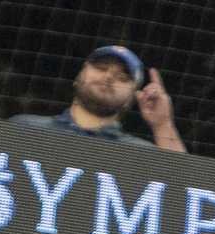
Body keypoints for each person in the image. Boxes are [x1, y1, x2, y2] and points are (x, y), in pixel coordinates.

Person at [14, 43, 185, 152]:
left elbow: (186, 192)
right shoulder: (25, 128)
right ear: (78, 78)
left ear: (130, 100)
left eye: (122, 77)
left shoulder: (140, 152)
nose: (109, 76)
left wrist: (163, 125)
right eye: (101, 68)